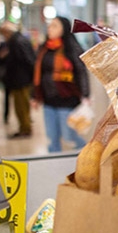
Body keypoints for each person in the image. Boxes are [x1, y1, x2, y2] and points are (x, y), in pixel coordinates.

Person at [33, 16, 91, 152]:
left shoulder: (71, 49)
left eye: (54, 26)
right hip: (48, 100)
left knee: (70, 136)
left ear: (64, 29)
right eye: (49, 26)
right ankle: (53, 165)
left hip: (68, 100)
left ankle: (86, 155)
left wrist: (86, 94)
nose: (50, 29)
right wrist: (34, 96)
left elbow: (81, 72)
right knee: (52, 137)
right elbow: (37, 73)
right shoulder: (44, 49)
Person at [0, 21, 36, 138]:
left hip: (20, 79)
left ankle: (25, 128)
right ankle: (24, 127)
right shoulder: (18, 40)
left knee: (22, 106)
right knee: (21, 105)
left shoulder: (16, 42)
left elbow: (27, 60)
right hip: (19, 79)